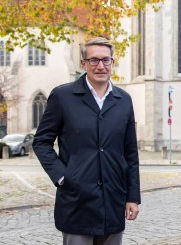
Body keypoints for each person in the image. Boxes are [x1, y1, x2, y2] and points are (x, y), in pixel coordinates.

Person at [33, 37, 140, 245]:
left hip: (113, 200)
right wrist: (63, 176)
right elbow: (41, 142)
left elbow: (130, 153)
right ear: (84, 64)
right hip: (76, 202)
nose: (100, 66)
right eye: (94, 60)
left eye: (106, 60)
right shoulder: (63, 96)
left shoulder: (123, 100)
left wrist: (132, 197)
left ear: (112, 62)